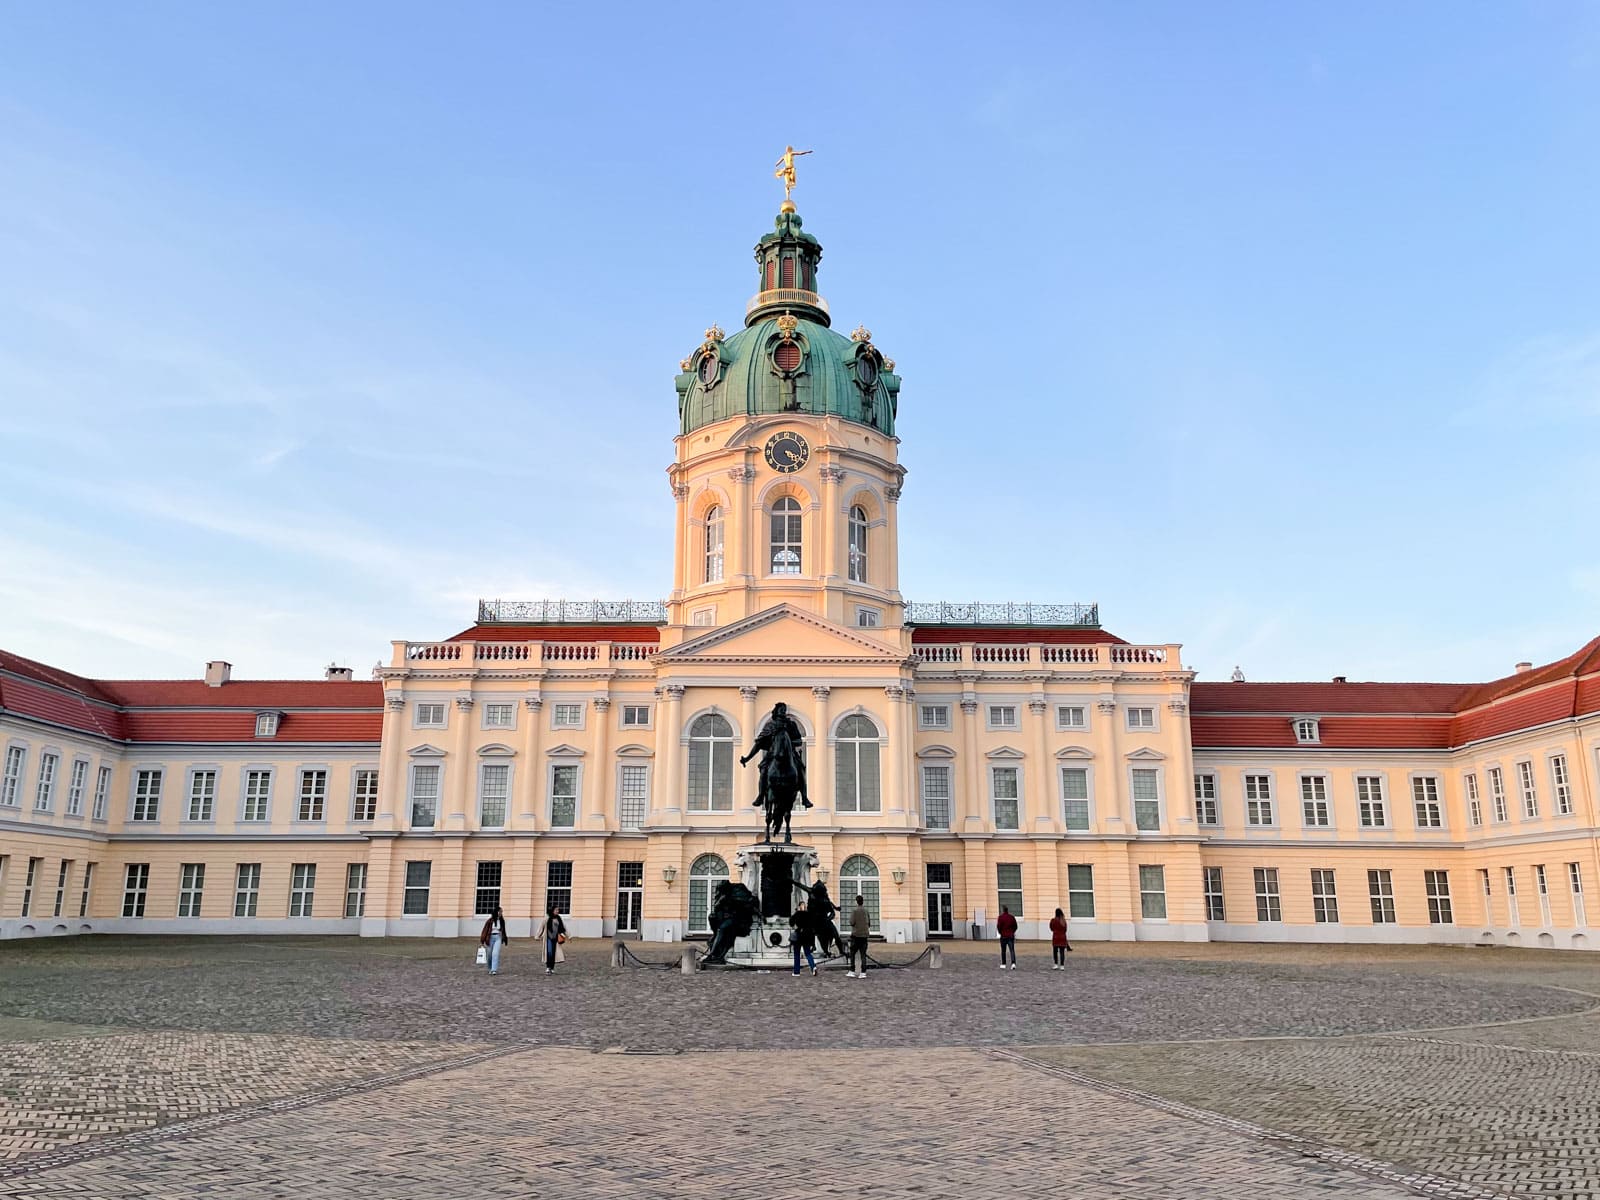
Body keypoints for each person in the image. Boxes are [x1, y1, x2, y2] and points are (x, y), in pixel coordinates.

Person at [536, 904, 567, 976]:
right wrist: (537, 936)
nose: (557, 911)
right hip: (548, 938)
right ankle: (548, 967)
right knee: (549, 952)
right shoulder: (547, 918)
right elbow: (541, 927)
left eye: (558, 910)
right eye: (556, 910)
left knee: (553, 953)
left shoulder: (558, 918)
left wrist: (569, 935)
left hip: (556, 939)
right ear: (552, 910)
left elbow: (564, 927)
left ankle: (552, 967)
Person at [479, 904, 509, 976]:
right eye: (500, 912)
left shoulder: (502, 921)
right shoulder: (490, 921)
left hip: (498, 937)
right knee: (489, 954)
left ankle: (494, 969)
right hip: (490, 938)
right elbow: (485, 930)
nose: (501, 913)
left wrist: (505, 939)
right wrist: (482, 940)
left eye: (501, 912)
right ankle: (490, 968)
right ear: (496, 912)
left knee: (495, 953)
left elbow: (504, 930)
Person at [846, 894, 871, 979]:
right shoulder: (866, 911)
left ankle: (852, 971)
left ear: (856, 902)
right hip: (864, 936)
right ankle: (863, 972)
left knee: (852, 953)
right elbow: (869, 923)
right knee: (863, 955)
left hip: (856, 935)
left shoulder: (854, 911)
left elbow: (851, 922)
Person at [790, 900, 817, 976]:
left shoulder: (798, 914)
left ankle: (796, 972)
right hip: (807, 936)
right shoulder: (809, 915)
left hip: (799, 936)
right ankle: (813, 967)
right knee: (808, 953)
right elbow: (812, 927)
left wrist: (796, 912)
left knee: (797, 954)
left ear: (799, 907)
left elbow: (791, 922)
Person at [997, 904, 1018, 970]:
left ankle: (1003, 964)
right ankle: (1013, 963)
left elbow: (999, 927)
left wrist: (1001, 932)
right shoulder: (1011, 917)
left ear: (1003, 910)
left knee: (1003, 950)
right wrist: (1012, 932)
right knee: (1012, 950)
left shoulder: (1000, 917)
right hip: (1010, 935)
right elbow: (1015, 926)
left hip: (1003, 936)